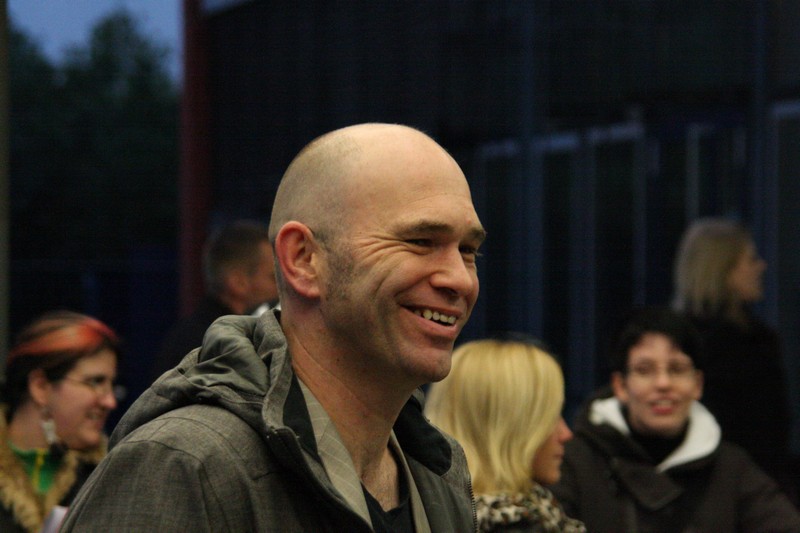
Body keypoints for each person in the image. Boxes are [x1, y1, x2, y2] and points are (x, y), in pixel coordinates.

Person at [61, 123, 486, 532]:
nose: (460, 280)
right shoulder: (184, 468)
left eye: (468, 250)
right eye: (420, 241)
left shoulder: (439, 475)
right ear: (303, 259)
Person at [550, 306, 800, 533]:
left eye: (677, 369)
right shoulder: (573, 462)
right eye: (645, 370)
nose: (663, 384)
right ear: (620, 386)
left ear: (698, 384)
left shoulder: (732, 470)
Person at [672, 217, 795, 500]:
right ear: (722, 269)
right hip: (726, 493)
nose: (761, 266)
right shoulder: (729, 345)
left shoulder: (752, 338)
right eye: (750, 260)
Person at [425, 336, 586, 533]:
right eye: (551, 417)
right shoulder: (516, 524)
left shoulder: (432, 514)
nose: (566, 434)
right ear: (510, 428)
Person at [0, 310, 120, 533]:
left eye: (111, 385)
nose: (110, 401)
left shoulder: (109, 478)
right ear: (40, 386)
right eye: (95, 382)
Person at [150, 219, 278, 380]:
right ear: (238, 283)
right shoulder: (214, 348)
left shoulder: (191, 337)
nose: (283, 287)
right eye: (274, 278)